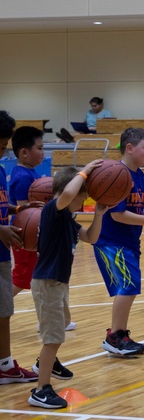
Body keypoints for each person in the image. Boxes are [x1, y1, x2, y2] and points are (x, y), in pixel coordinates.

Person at [28, 164, 108, 409]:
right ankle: (41, 390)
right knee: (53, 337)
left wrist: (99, 215)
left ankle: (45, 364)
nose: (84, 201)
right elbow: (67, 195)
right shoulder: (53, 210)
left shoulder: (68, 220)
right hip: (47, 283)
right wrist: (85, 171)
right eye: (83, 196)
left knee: (59, 329)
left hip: (59, 283)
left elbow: (92, 238)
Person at [92, 128, 144, 355]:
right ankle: (115, 337)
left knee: (130, 287)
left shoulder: (140, 175)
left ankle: (120, 333)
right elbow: (117, 214)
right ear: (130, 148)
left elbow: (134, 206)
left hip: (129, 241)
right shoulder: (117, 174)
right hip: (112, 241)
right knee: (128, 287)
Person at [0, 111, 39, 386]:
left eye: (3, 146)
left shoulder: (1, 170)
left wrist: (16, 209)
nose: (1, 152)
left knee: (4, 310)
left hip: (2, 250)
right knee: (3, 310)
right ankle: (4, 365)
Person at [8, 126, 48, 302]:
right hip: (26, 234)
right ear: (24, 152)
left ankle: (48, 319)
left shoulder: (30, 172)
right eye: (39, 148)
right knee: (22, 278)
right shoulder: (23, 177)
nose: (42, 152)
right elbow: (26, 213)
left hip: (34, 233)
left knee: (40, 277)